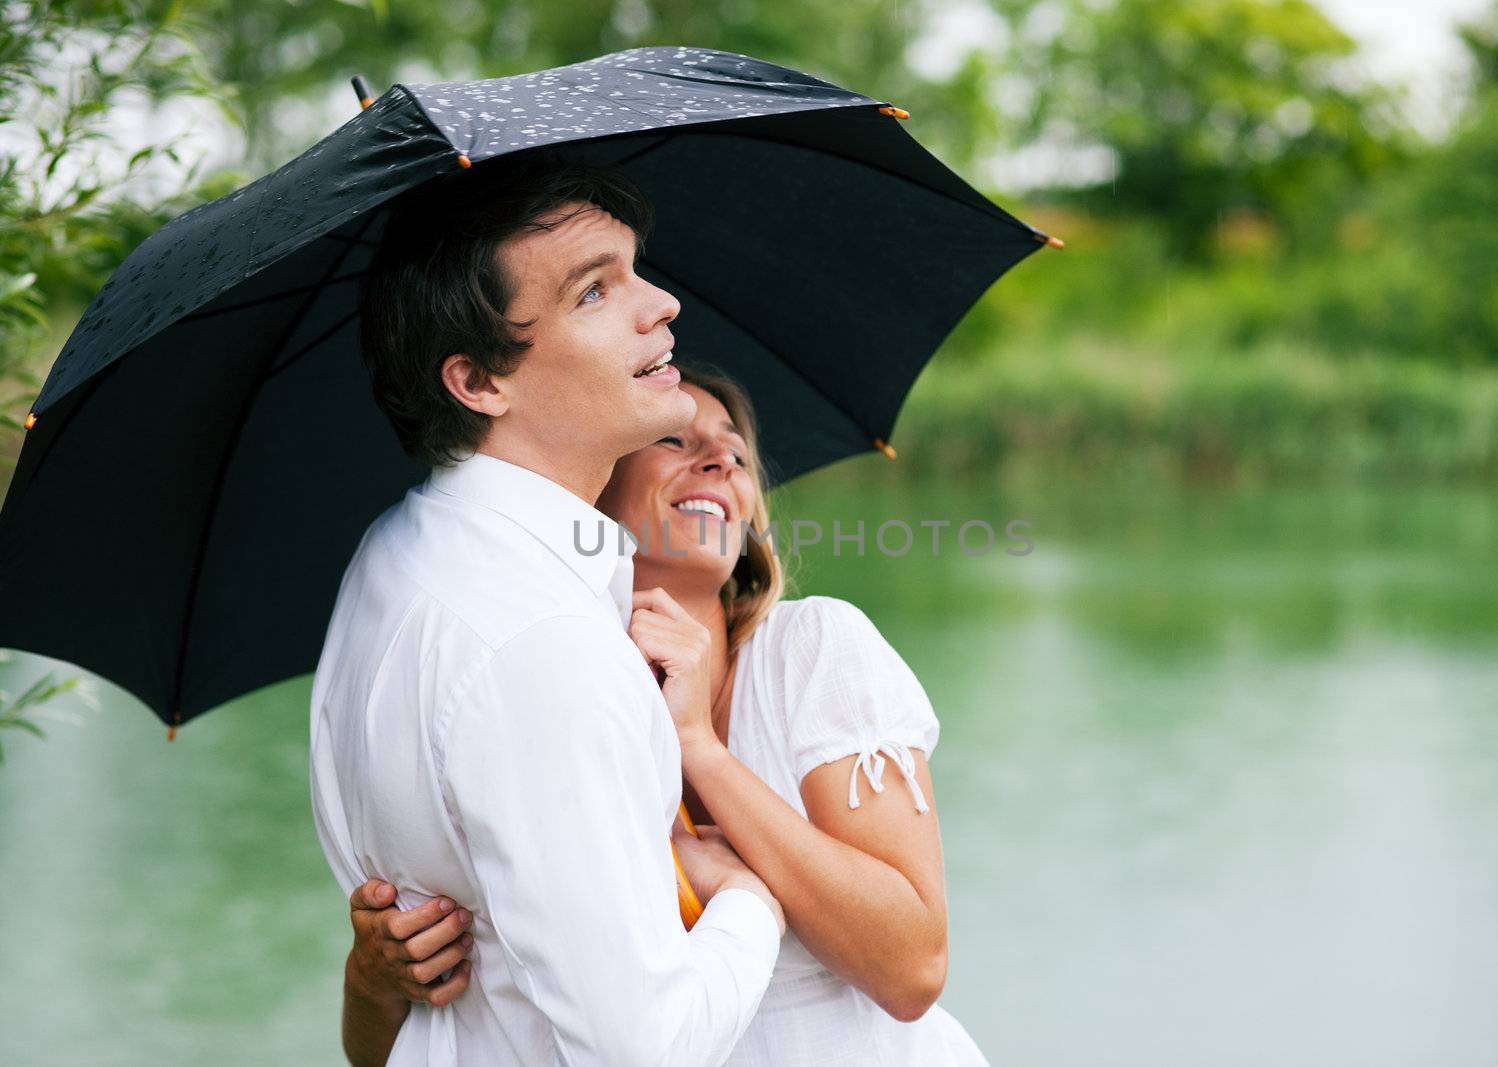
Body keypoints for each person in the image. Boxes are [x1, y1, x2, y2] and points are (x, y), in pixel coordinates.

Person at [341, 367, 991, 1065]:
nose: (718, 459)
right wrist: (370, 982)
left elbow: (913, 967)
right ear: (595, 483)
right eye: (674, 439)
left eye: (737, 455)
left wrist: (699, 746)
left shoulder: (814, 651)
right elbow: (397, 1051)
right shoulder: (532, 690)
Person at [310, 156, 787, 1067]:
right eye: (595, 291)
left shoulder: (391, 555)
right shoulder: (542, 646)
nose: (662, 305)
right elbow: (643, 1048)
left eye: (635, 268)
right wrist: (752, 901)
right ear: (480, 382)